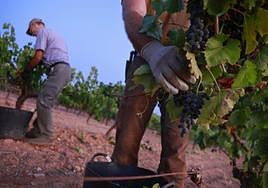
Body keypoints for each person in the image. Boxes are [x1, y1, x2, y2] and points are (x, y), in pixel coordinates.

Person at [111, 0, 196, 187]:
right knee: (127, 139)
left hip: (184, 67)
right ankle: (120, 182)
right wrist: (151, 50)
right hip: (146, 57)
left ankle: (171, 183)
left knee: (176, 146)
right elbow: (133, 12)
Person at [20, 18, 72, 145]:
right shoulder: (52, 34)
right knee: (45, 99)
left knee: (44, 100)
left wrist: (26, 70)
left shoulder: (42, 32)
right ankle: (37, 130)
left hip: (59, 69)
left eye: (31, 31)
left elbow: (38, 57)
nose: (33, 34)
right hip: (64, 70)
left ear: (36, 25)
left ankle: (46, 136)